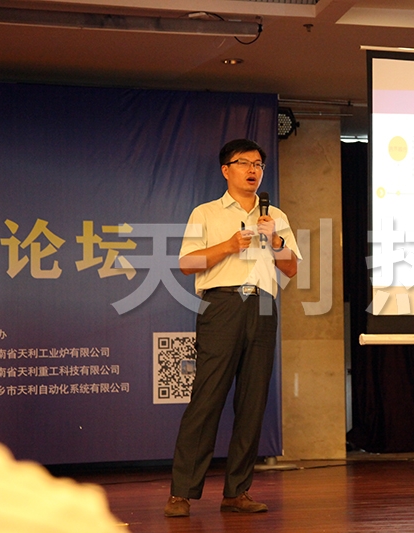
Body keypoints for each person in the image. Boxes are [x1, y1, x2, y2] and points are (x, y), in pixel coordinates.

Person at [164, 138, 300, 517]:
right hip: (222, 304)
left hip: (263, 305)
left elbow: (291, 268)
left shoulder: (276, 216)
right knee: (207, 398)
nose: (253, 170)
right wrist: (228, 246)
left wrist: (274, 239)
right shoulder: (206, 212)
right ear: (226, 170)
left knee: (253, 401)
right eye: (244, 163)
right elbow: (187, 263)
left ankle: (237, 491)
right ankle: (181, 493)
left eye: (258, 164)